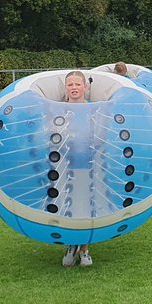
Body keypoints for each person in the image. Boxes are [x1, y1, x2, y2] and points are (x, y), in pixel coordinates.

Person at [61, 71, 93, 267]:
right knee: (67, 206)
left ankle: (85, 250)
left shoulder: (94, 109)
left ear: (85, 87)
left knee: (86, 207)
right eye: (70, 84)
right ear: (66, 88)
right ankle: (71, 245)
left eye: (77, 84)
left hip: (87, 165)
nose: (74, 87)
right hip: (63, 164)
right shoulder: (59, 109)